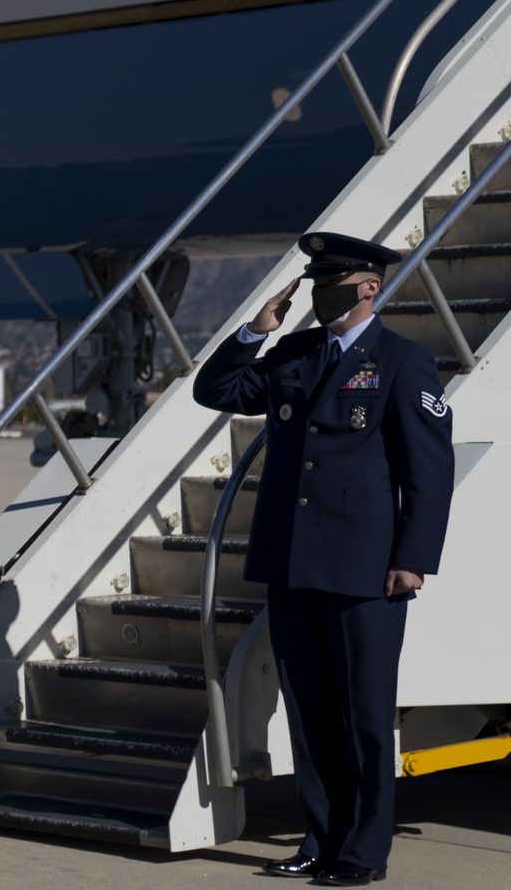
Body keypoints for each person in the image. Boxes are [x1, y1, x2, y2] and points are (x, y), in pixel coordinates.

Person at [193, 232, 454, 888]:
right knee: (308, 713)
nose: (320, 294)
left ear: (369, 287)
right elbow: (216, 390)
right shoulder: (295, 352)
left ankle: (363, 852)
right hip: (290, 562)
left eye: (332, 283)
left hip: (366, 570)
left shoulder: (402, 362)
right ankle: (320, 838)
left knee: (365, 715)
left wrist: (413, 559)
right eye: (316, 283)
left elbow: (428, 471)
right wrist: (255, 331)